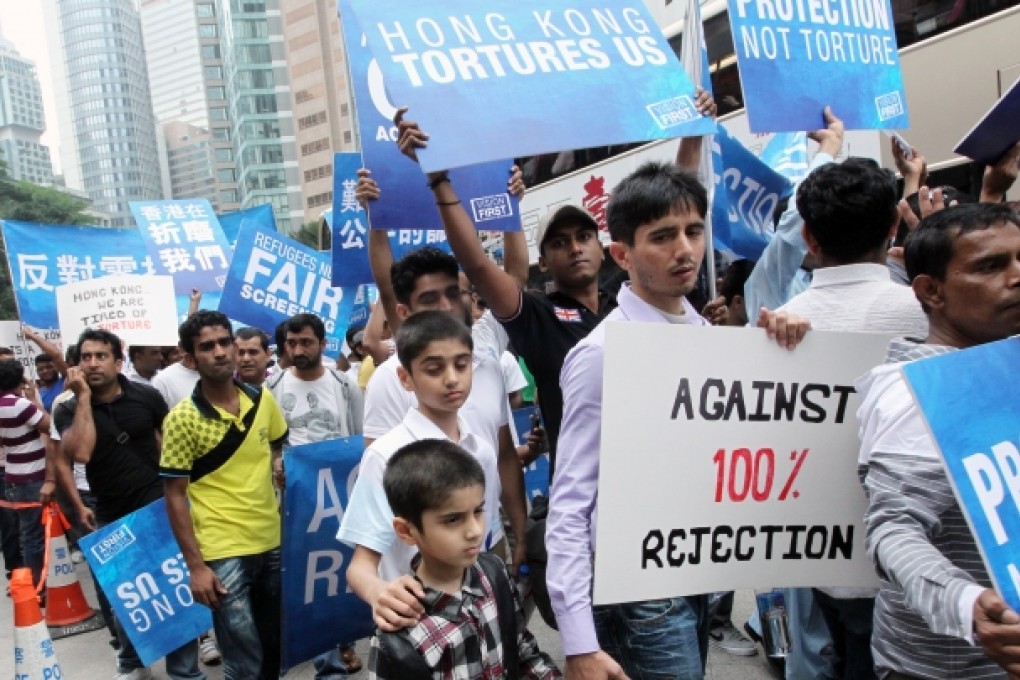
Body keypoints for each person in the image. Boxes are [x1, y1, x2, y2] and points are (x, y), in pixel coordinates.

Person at [547, 161, 810, 679]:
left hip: (699, 575)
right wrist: (577, 641)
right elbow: (571, 502)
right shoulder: (603, 355)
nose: (685, 249)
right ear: (621, 254)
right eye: (662, 237)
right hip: (640, 592)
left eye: (693, 231)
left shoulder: (707, 340)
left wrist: (787, 350)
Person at [776, 156, 930, 680]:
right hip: (911, 568)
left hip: (816, 561)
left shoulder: (774, 332)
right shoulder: (927, 311)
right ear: (892, 228)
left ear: (808, 237)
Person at [859, 203, 1020, 679]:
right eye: (990, 266)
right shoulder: (919, 393)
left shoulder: (1004, 363)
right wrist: (967, 605)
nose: (1016, 276)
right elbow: (894, 528)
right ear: (931, 291)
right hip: (952, 666)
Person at [340, 312, 509, 633]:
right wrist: (379, 593)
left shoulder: (481, 449)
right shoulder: (385, 456)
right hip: (416, 623)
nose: (451, 378)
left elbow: (482, 541)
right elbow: (361, 565)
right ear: (405, 378)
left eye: (462, 364)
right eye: (434, 368)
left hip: (477, 616)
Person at [53, 328, 204, 680]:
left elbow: (168, 442)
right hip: (110, 513)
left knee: (173, 593)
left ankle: (185, 671)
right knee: (125, 599)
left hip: (157, 506)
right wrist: (84, 398)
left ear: (118, 361)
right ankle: (133, 662)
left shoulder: (147, 396)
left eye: (100, 356)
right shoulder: (69, 409)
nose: (92, 363)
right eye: (85, 357)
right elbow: (81, 451)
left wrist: (183, 494)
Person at [160, 311, 288, 680]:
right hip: (222, 550)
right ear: (189, 357)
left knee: (272, 649)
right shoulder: (181, 419)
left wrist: (280, 465)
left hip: (271, 540)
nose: (219, 352)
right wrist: (196, 567)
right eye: (206, 347)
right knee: (243, 660)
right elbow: (174, 495)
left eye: (224, 342)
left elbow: (279, 445)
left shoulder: (262, 400)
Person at [367, 438, 561, 679]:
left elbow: (523, 650)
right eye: (452, 519)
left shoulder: (494, 573)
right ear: (407, 531)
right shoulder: (401, 632)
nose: (475, 531)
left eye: (478, 511)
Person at [268, 312, 364, 678]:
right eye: (291, 343)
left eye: (306, 342)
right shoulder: (273, 388)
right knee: (309, 575)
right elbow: (270, 443)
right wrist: (277, 463)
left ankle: (345, 642)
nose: (297, 349)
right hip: (295, 502)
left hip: (339, 498)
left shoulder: (344, 385)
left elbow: (359, 439)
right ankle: (327, 660)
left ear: (323, 344)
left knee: (341, 570)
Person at [0, 359, 51, 589]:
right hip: (31, 475)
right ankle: (39, 584)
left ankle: (36, 581)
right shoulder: (20, 405)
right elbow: (49, 425)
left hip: (12, 474)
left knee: (27, 532)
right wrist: (33, 401)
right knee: (34, 534)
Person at [22, 324, 67, 412]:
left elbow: (56, 355)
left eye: (49, 367)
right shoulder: (36, 394)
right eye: (40, 369)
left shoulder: (66, 381)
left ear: (56, 367)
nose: (45, 371)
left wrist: (32, 336)